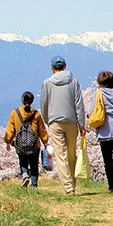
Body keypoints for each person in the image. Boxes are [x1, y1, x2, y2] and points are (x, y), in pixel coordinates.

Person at [39, 55, 86, 195]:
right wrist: (82, 125)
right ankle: (73, 183)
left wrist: (48, 120)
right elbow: (79, 104)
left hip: (55, 121)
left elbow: (44, 105)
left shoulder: (47, 83)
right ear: (65, 66)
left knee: (60, 154)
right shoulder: (73, 82)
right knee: (72, 153)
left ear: (52, 68)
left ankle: (68, 187)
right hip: (71, 121)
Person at [5, 91, 48, 187]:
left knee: (23, 161)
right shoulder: (36, 114)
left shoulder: (15, 113)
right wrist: (45, 142)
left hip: (20, 144)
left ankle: (24, 175)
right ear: (32, 101)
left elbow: (10, 129)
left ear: (22, 100)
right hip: (34, 144)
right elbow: (42, 129)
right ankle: (34, 184)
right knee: (34, 164)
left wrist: (8, 141)